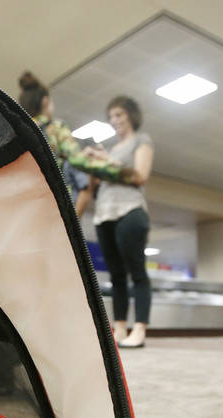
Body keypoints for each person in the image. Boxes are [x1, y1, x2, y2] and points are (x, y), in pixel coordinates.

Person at [17, 72, 137, 216]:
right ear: (45, 101)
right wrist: (123, 173)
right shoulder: (54, 128)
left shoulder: (16, 133)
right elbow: (78, 159)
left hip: (21, 202)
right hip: (47, 202)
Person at [93, 95, 154, 349]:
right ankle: (119, 328)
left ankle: (139, 329)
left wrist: (107, 162)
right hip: (104, 213)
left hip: (130, 210)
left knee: (136, 272)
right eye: (111, 117)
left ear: (130, 114)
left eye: (118, 114)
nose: (114, 120)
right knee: (116, 275)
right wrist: (93, 162)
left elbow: (140, 175)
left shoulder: (142, 140)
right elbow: (97, 185)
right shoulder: (111, 149)